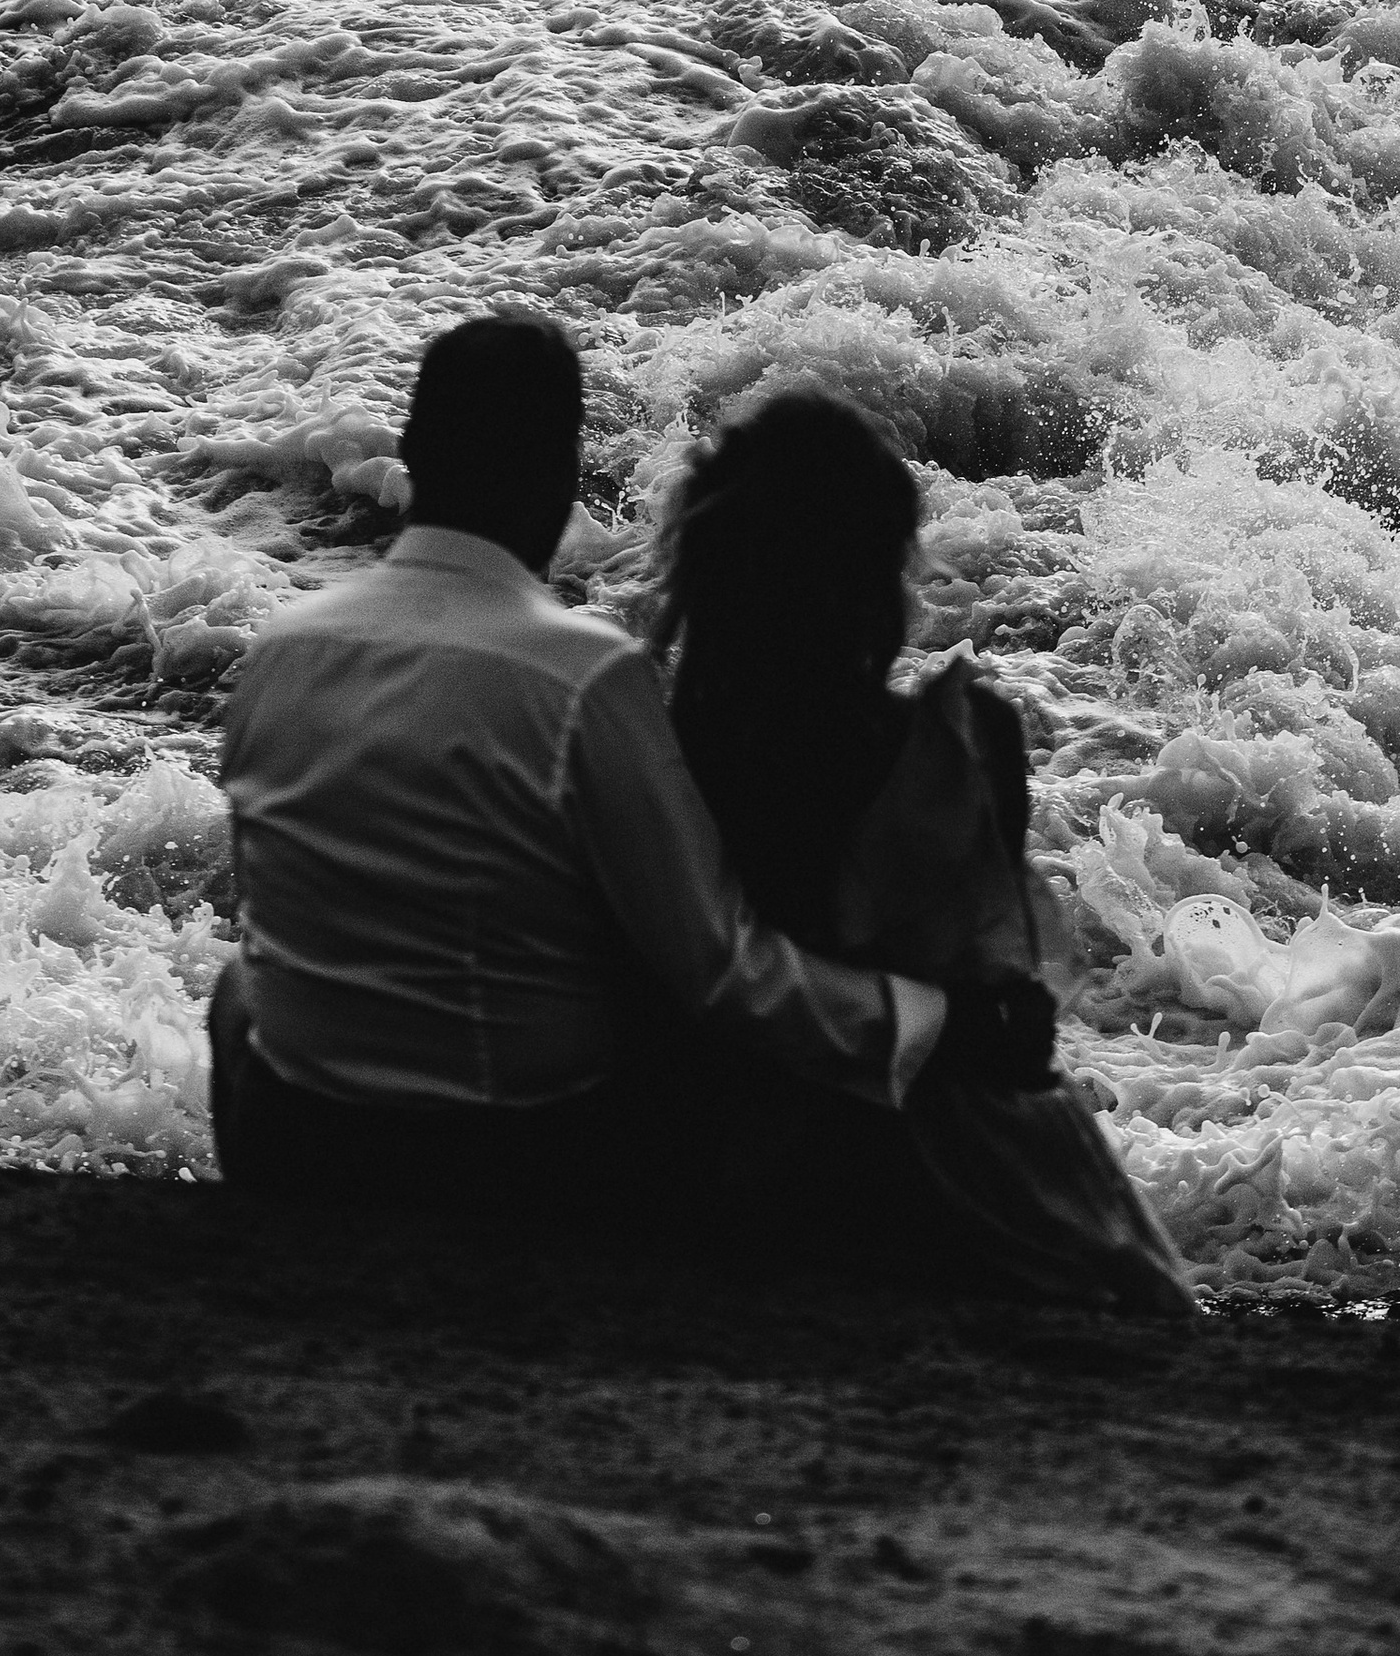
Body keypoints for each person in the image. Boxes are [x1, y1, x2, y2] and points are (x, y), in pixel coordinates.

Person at [209, 313, 1050, 1219]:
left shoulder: (281, 649)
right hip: (494, 1162)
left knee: (239, 984)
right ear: (562, 473)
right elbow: (720, 972)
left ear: (409, 453)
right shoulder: (582, 676)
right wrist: (935, 1020)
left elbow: (269, 902)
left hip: (292, 1133)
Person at [658, 382, 1197, 1315]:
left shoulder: (664, 744)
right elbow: (1008, 1017)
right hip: (917, 1153)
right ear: (879, 573)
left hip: (718, 1139)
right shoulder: (956, 746)